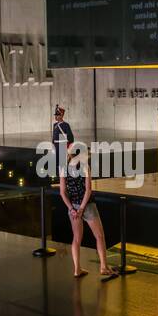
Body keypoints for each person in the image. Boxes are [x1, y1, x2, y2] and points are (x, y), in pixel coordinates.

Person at [60, 148, 114, 279]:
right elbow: (88, 190)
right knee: (99, 236)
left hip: (73, 207)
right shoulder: (85, 167)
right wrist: (82, 208)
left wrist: (72, 209)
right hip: (87, 206)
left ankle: (77, 269)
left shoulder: (63, 168)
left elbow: (63, 192)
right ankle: (103, 267)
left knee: (76, 239)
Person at [52, 104, 74, 178]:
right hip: (56, 146)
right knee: (56, 163)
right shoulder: (55, 125)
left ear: (61, 115)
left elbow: (71, 137)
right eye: (55, 115)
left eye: (57, 115)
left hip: (62, 146)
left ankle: (63, 178)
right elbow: (54, 137)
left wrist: (68, 148)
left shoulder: (66, 125)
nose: (56, 116)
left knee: (62, 164)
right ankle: (58, 178)